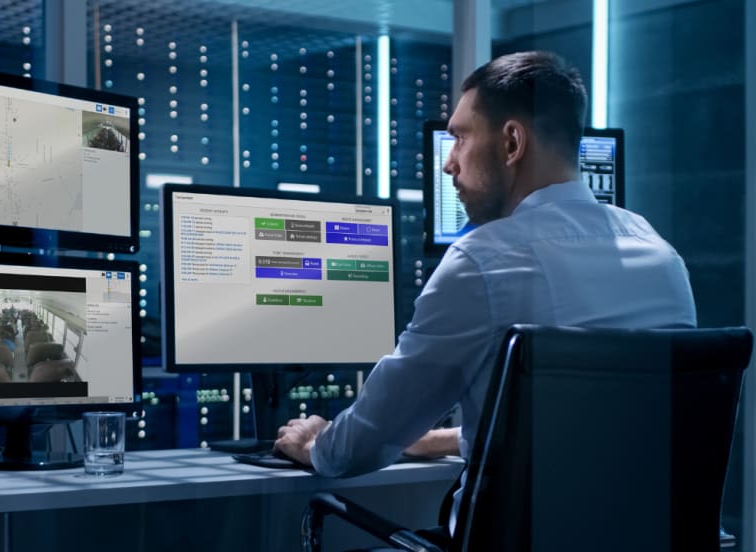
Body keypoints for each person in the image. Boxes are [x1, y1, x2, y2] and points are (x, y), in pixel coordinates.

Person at [273, 50, 696, 537]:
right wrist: (445, 440)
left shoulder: (481, 261)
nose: (448, 163)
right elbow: (598, 431)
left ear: (512, 142)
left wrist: (315, 446)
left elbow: (362, 445)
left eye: (459, 138)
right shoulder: (661, 254)